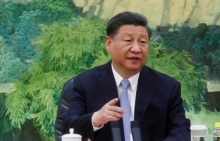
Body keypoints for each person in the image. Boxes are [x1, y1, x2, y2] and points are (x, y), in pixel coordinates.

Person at [63, 11, 190, 141]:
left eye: (142, 42)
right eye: (128, 40)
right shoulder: (86, 83)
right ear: (109, 43)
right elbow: (69, 128)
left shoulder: (167, 87)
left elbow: (181, 130)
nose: (136, 48)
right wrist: (96, 118)